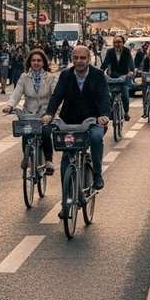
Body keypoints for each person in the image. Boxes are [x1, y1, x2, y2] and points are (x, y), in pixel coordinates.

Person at [41, 45, 109, 192]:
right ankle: (66, 200)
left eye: (83, 58)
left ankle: (97, 174)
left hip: (93, 120)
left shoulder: (98, 75)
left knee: (97, 138)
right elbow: (57, 95)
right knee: (67, 154)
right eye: (76, 58)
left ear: (89, 59)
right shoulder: (66, 75)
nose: (79, 61)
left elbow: (104, 96)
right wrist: (49, 113)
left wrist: (104, 115)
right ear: (72, 59)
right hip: (69, 121)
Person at [4, 49, 59, 175]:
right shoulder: (24, 77)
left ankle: (49, 161)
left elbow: (55, 95)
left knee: (45, 132)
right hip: (29, 112)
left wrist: (51, 113)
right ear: (29, 62)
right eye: (33, 60)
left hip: (45, 113)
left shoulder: (50, 77)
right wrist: (10, 105)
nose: (36, 63)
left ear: (43, 62)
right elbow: (16, 93)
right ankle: (27, 158)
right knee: (26, 131)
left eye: (39, 60)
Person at [100, 36, 135, 122]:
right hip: (112, 77)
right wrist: (100, 72)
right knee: (109, 96)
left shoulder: (127, 51)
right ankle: (112, 112)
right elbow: (105, 63)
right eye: (115, 42)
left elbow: (131, 63)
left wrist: (131, 72)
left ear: (123, 43)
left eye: (119, 42)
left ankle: (126, 112)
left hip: (124, 76)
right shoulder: (110, 52)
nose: (117, 44)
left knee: (125, 96)